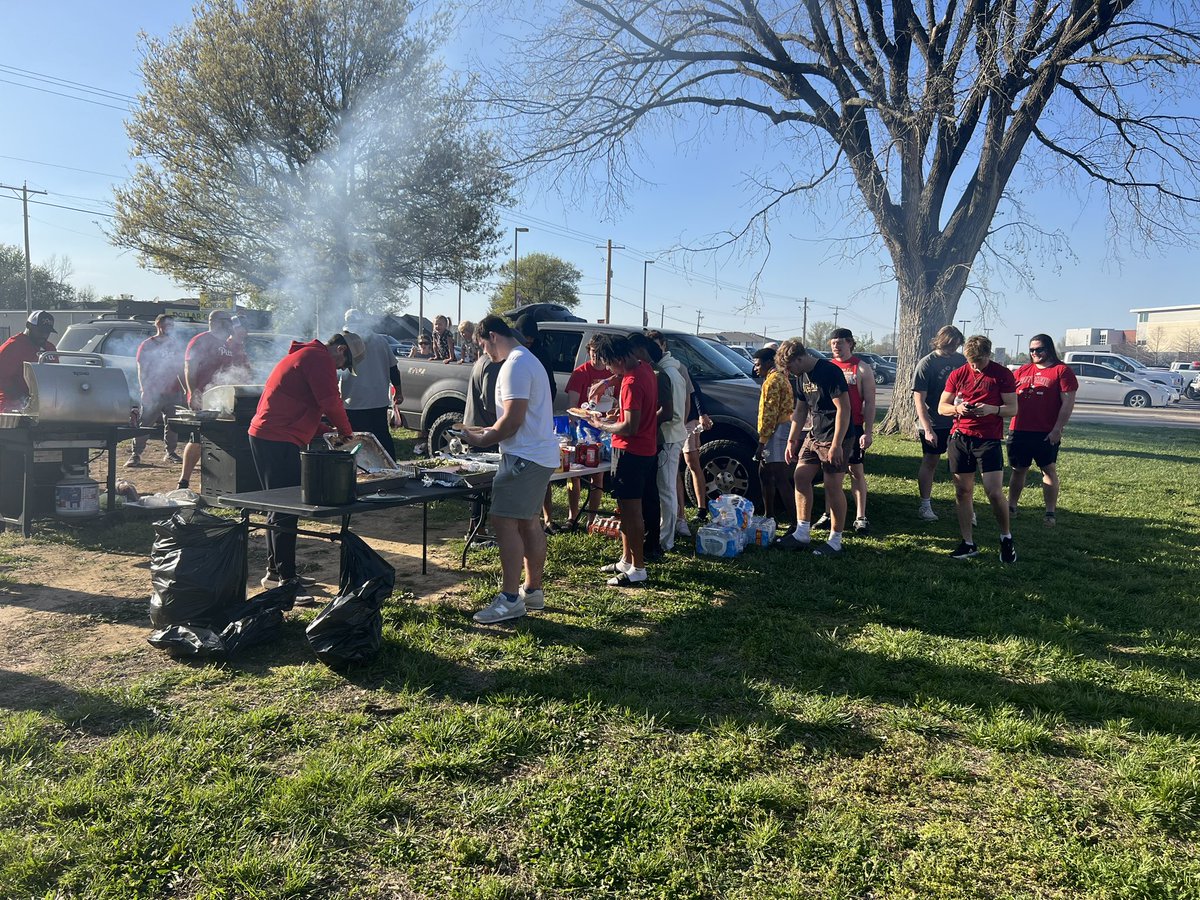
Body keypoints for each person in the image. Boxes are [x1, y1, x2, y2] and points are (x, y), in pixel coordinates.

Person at [460, 315, 560, 623]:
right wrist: (490, 430)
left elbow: (513, 420)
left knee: (503, 521)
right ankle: (533, 591)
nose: (485, 353)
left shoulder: (515, 364)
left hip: (524, 457)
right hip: (536, 454)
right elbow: (518, 417)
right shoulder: (527, 360)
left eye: (483, 345)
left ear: (492, 336)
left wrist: (478, 437)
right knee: (529, 522)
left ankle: (509, 598)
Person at [248, 332, 364, 593]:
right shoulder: (318, 357)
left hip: (271, 435)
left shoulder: (308, 356)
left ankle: (275, 573)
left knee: (278, 508)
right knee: (285, 509)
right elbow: (330, 402)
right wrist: (346, 433)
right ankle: (287, 582)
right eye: (345, 365)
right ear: (341, 350)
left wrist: (326, 431)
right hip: (276, 438)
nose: (342, 370)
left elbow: (302, 408)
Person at [939, 334, 1019, 562]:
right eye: (970, 361)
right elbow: (941, 406)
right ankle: (968, 542)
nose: (974, 366)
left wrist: (992, 409)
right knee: (962, 492)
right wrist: (958, 409)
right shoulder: (959, 373)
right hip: (961, 438)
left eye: (979, 362)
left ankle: (1006, 537)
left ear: (988, 355)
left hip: (988, 440)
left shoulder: (1001, 374)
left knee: (994, 492)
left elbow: (1013, 408)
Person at [587, 334, 658, 586]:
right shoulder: (645, 368)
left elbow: (629, 426)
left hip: (631, 451)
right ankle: (626, 560)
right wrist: (607, 382)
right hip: (644, 449)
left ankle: (638, 568)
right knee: (626, 510)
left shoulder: (630, 383)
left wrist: (601, 424)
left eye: (607, 363)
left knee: (631, 512)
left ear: (618, 358)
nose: (606, 368)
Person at [774, 338, 851, 556]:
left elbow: (844, 410)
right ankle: (802, 532)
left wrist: (837, 444)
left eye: (790, 367)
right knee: (800, 476)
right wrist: (792, 440)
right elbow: (800, 411)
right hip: (815, 435)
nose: (789, 372)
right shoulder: (800, 378)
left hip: (836, 435)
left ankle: (836, 541)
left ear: (800, 358)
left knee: (832, 486)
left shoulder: (829, 372)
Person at [1007, 334, 1077, 527]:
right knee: (1018, 470)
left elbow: (1067, 403)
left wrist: (1057, 429)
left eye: (1039, 349)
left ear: (1049, 349)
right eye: (1032, 350)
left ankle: (1050, 512)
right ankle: (1011, 506)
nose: (1035, 353)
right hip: (1019, 429)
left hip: (1045, 431)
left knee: (1048, 470)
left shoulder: (1062, 371)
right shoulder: (1022, 371)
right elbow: (1008, 395)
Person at [627, 332, 676, 559]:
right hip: (642, 440)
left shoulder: (657, 374)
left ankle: (653, 544)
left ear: (639, 349)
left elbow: (667, 411)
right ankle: (646, 543)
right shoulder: (640, 372)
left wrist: (644, 422)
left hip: (651, 441)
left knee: (650, 496)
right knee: (643, 495)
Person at [824, 328, 876, 535]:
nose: (836, 346)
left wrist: (868, 431)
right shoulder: (826, 367)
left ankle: (860, 516)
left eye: (840, 343)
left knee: (856, 471)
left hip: (853, 428)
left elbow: (870, 403)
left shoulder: (861, 368)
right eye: (833, 343)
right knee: (829, 471)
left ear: (850, 343)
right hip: (830, 427)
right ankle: (828, 513)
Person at [912, 325, 967, 521]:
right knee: (931, 461)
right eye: (950, 345)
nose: (953, 349)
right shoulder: (926, 363)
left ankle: (967, 506)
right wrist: (927, 429)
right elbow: (919, 400)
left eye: (957, 346)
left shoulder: (961, 360)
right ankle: (925, 506)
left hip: (957, 422)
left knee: (961, 465)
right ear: (941, 341)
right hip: (934, 422)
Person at [177, 309, 234, 490]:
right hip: (203, 396)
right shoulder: (201, 340)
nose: (231, 325)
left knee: (218, 438)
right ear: (216, 322)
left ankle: (215, 482)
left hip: (222, 397)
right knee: (197, 437)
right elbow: (189, 367)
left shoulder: (226, 344)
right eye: (227, 321)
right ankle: (184, 481)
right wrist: (193, 392)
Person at [340, 308, 405, 461]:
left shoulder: (344, 342)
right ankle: (390, 467)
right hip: (378, 399)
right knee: (382, 439)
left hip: (353, 401)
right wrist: (399, 392)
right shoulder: (380, 340)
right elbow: (393, 369)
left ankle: (362, 469)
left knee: (358, 441)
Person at [564, 336, 612, 527]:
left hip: (604, 430)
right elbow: (572, 407)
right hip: (581, 429)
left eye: (601, 354)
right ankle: (572, 515)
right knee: (573, 473)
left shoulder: (611, 374)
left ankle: (592, 517)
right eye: (594, 353)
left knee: (597, 473)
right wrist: (585, 415)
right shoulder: (580, 373)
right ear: (588, 351)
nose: (597, 358)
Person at [463, 330, 504, 547]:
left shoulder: (481, 360)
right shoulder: (491, 363)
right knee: (484, 485)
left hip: (475, 427)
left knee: (479, 484)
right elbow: (489, 401)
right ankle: (478, 531)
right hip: (483, 431)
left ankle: (475, 529)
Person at [128, 314, 184, 467]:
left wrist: (185, 388)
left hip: (173, 391)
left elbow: (180, 368)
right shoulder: (148, 345)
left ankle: (170, 452)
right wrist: (144, 389)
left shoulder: (175, 344)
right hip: (153, 391)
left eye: (173, 325)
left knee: (173, 423)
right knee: (146, 422)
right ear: (159, 325)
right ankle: (136, 454)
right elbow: (142, 369)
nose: (171, 327)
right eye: (168, 324)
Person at [753, 346, 793, 521]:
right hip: (779, 428)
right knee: (765, 473)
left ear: (769, 362)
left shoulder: (772, 381)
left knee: (780, 477)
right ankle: (769, 516)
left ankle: (795, 522)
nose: (755, 368)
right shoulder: (779, 377)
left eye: (758, 364)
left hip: (776, 430)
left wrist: (762, 443)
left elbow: (769, 414)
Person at [0, 310, 57, 412]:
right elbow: (2, 378)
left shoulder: (50, 348)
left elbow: (55, 376)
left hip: (43, 405)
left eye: (47, 332)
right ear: (28, 326)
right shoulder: (12, 346)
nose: (44, 335)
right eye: (40, 331)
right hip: (10, 405)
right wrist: (23, 400)